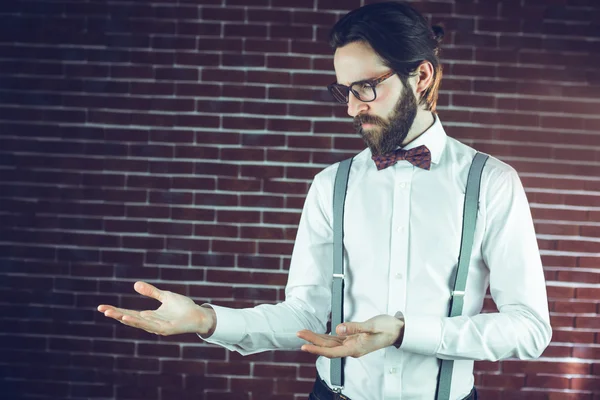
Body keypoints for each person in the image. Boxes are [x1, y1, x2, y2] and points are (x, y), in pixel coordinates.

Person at [98, 2, 552, 399]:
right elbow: (302, 314)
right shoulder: (331, 185)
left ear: (422, 76)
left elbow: (530, 329)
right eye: (344, 91)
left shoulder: (492, 183)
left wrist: (405, 333)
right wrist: (205, 320)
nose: (352, 109)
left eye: (365, 88)